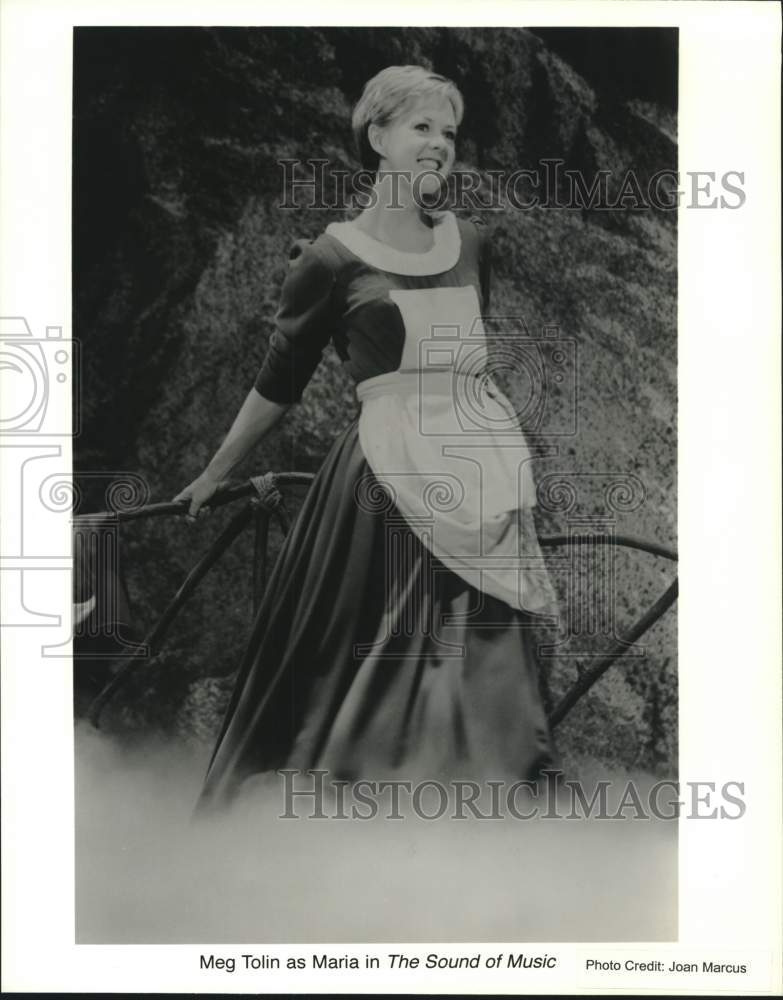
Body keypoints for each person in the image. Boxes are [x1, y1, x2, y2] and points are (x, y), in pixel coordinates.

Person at [175, 65, 560, 812]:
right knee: (381, 677)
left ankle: (476, 865)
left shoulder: (473, 242)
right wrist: (214, 471)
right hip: (381, 489)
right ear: (376, 136)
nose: (439, 145)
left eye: (449, 133)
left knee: (486, 685)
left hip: (478, 479)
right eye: (421, 127)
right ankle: (347, 840)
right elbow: (278, 383)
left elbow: (468, 365)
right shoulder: (330, 258)